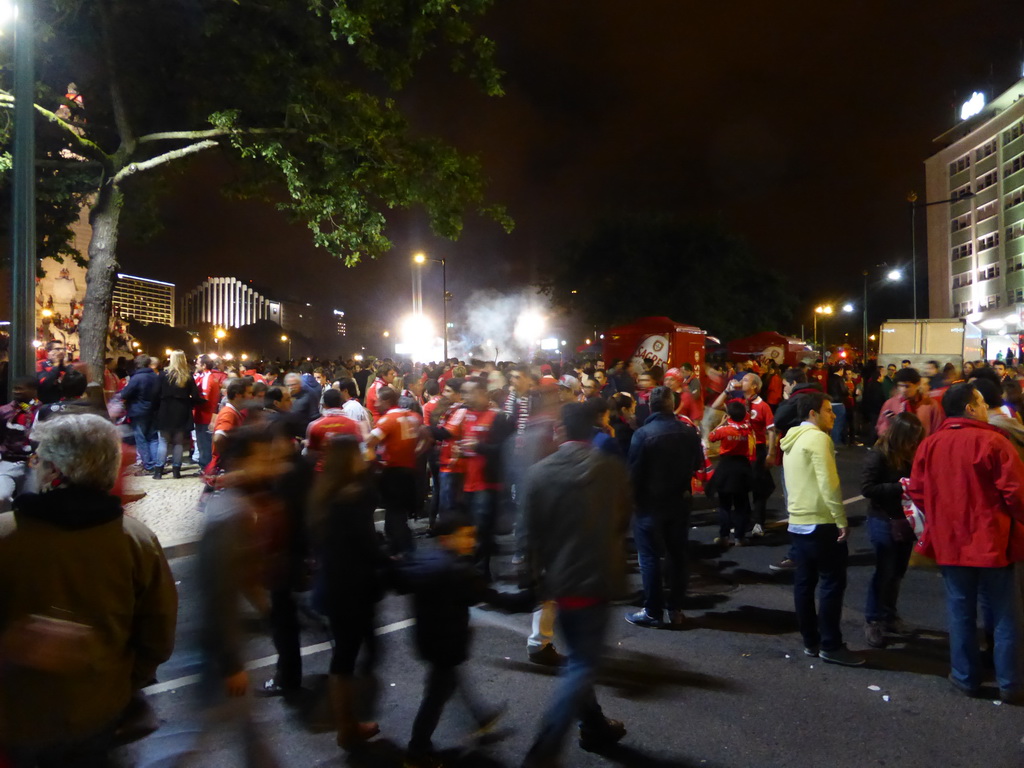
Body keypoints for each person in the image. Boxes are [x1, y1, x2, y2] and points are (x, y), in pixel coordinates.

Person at [0, 414, 177, 765]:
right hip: (98, 711)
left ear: (51, 469)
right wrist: (119, 682)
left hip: (15, 713)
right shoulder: (136, 541)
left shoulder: (7, 534)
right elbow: (158, 635)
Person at [520, 403, 631, 767]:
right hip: (597, 577)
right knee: (583, 663)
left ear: (561, 431)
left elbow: (527, 537)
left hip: (561, 580)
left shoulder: (539, 474)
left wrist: (531, 581)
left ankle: (593, 725)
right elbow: (622, 521)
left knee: (579, 658)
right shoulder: (611, 470)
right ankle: (545, 748)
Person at [907, 381, 1024, 703]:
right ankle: (1010, 682)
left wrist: (942, 512)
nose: (988, 408)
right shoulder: (994, 442)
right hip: (993, 541)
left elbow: (917, 490)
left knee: (960, 611)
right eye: (983, 403)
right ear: (970, 408)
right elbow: (1016, 494)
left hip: (950, 542)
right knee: (1004, 614)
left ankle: (965, 677)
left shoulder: (931, 444)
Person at [397, 518, 534, 767]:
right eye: (465, 535)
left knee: (446, 683)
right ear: (447, 539)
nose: (472, 541)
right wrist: (534, 596)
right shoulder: (458, 572)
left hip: (428, 639)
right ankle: (416, 753)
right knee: (437, 694)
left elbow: (398, 580)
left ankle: (480, 717)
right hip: (447, 643)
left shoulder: (425, 559)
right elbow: (498, 601)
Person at [309, 437, 388, 749]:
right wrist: (391, 561)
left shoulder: (324, 492)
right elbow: (368, 547)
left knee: (346, 656)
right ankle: (347, 725)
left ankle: (347, 721)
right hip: (351, 591)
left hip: (334, 586)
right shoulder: (352, 497)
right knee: (347, 658)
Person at [780, 391, 864, 666]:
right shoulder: (818, 438)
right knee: (831, 583)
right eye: (828, 410)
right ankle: (831, 644)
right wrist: (841, 519)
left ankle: (811, 641)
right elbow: (828, 482)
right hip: (820, 522)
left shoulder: (792, 439)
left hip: (798, 521)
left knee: (804, 584)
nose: (834, 415)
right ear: (812, 414)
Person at [626, 385, 704, 628]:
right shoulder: (688, 432)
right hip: (679, 501)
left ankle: (653, 610)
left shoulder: (643, 434)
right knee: (678, 555)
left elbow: (634, 474)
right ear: (673, 405)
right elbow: (697, 464)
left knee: (649, 557)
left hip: (650, 505)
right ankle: (676, 609)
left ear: (650, 406)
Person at [861, 412, 924, 648]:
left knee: (897, 570)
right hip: (882, 518)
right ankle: (873, 619)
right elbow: (867, 488)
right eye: (911, 437)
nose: (913, 442)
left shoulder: (911, 453)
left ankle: (889, 615)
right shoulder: (878, 455)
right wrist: (898, 487)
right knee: (884, 570)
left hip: (904, 519)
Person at [364, 387, 427, 555]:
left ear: (386, 401)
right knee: (398, 513)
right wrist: (415, 453)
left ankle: (404, 550)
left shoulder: (388, 420)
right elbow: (427, 437)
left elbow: (369, 441)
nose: (375, 404)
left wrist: (373, 463)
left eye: (377, 400)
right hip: (410, 471)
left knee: (395, 512)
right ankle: (398, 547)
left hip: (393, 472)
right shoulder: (413, 416)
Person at [708, 399, 755, 547]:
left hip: (726, 468)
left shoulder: (725, 430)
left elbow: (711, 437)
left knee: (725, 505)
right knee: (741, 505)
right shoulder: (747, 429)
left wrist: (722, 423)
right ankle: (739, 538)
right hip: (742, 467)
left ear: (728, 415)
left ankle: (724, 536)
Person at [154, 350, 201, 480]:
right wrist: (189, 403)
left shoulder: (163, 375)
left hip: (165, 409)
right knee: (178, 443)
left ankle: (158, 471)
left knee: (162, 442)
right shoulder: (187, 375)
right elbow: (196, 395)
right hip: (182, 410)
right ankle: (176, 470)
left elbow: (155, 393)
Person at [119, 354, 161, 474]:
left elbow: (125, 394)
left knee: (141, 438)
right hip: (153, 410)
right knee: (153, 438)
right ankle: (155, 464)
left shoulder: (136, 378)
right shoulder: (155, 376)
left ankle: (148, 465)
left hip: (138, 411)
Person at [0, 377, 37, 509]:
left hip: (33, 464)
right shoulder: (4, 411)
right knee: (2, 497)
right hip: (8, 461)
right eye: (15, 388)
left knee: (31, 502)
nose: (17, 391)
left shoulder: (41, 411)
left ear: (33, 391)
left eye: (21, 388)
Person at [305, 388, 361, 471]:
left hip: (323, 472)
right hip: (347, 472)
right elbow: (358, 450)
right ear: (342, 403)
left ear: (324, 405)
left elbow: (310, 453)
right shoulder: (354, 424)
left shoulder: (314, 426)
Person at [193, 355, 226, 470]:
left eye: (198, 363)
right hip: (203, 415)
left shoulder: (207, 377)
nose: (196, 364)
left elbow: (204, 398)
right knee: (202, 443)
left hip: (204, 415)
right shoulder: (204, 376)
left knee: (204, 444)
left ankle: (206, 468)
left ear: (204, 365)